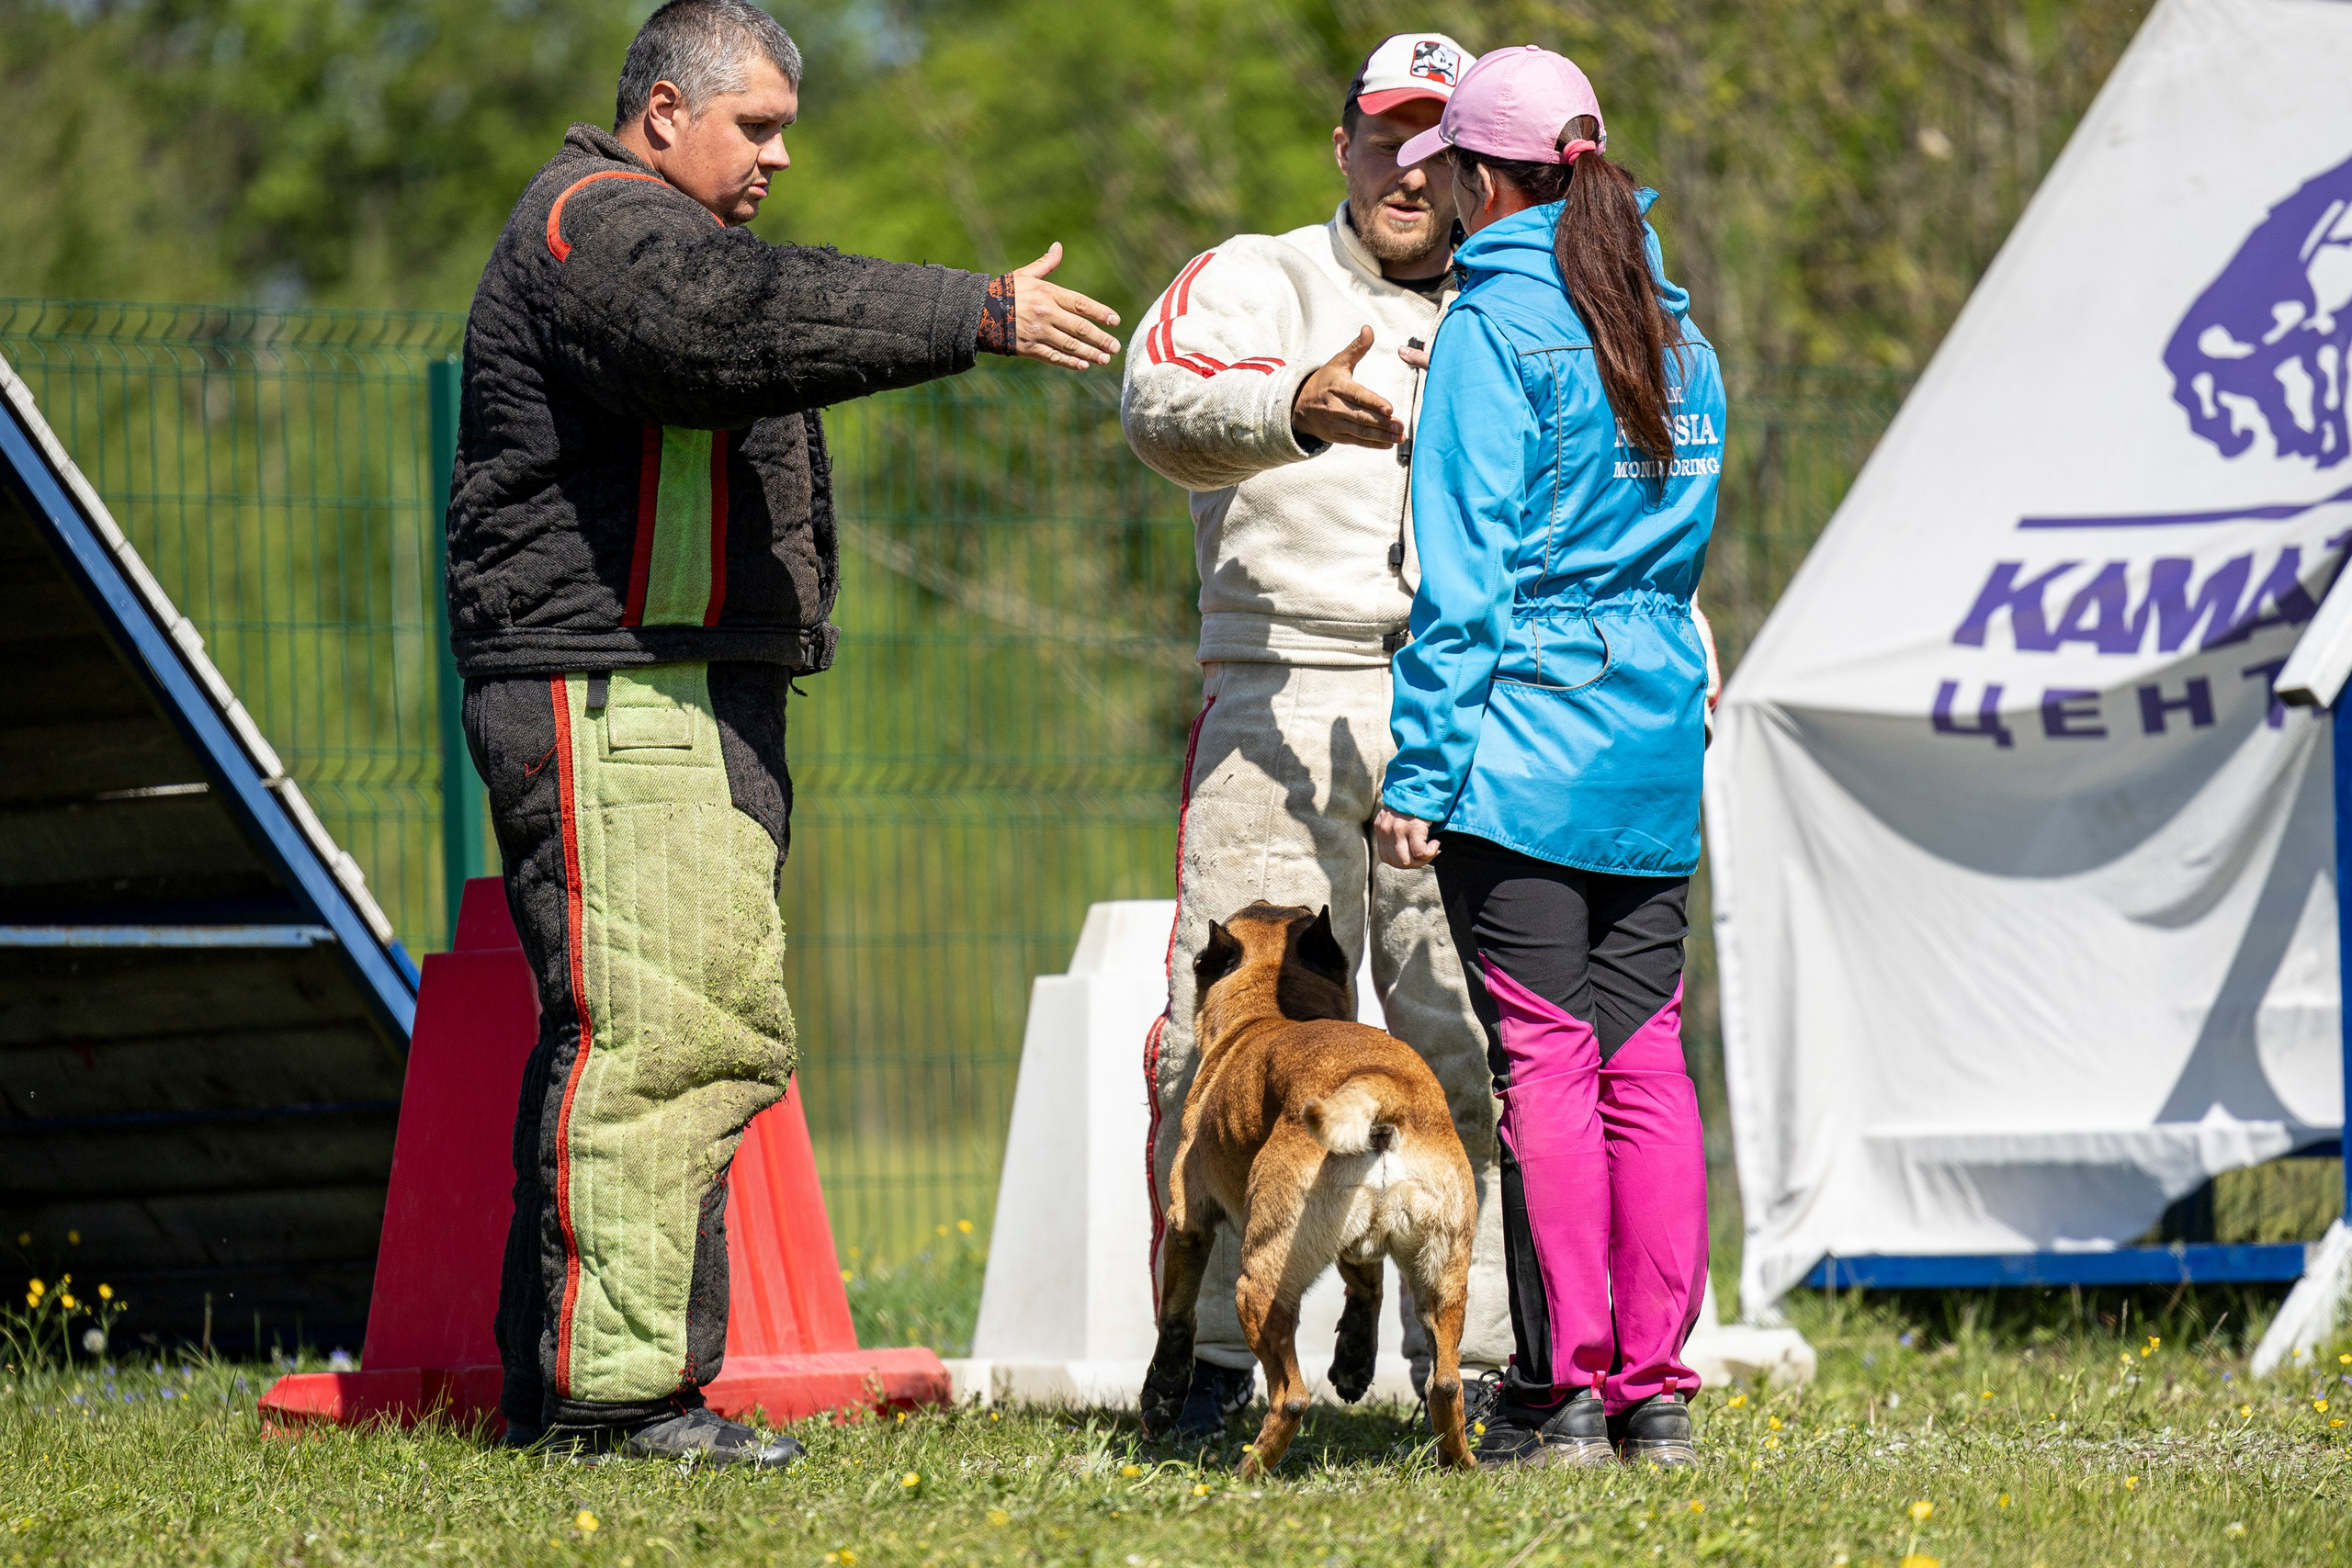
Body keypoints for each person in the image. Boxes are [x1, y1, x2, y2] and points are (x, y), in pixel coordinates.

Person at [445, 0, 1121, 1468]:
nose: (783, 154)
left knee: (695, 1030)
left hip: (683, 685)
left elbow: (744, 318)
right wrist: (972, 312)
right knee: (657, 1038)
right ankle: (613, 1406)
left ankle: (578, 1387)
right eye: (757, 125)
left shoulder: (650, 228)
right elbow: (721, 329)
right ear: (664, 111)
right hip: (615, 683)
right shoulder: (597, 223)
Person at [1121, 30, 1516, 1439]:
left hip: (1477, 696)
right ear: (1338, 140)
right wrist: (1285, 408)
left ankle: (1478, 1367)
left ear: (1475, 160)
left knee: (1470, 1040)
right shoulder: (1256, 275)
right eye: (1385, 132)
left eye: (1438, 140)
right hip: (1283, 684)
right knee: (1229, 1045)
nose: (1409, 167)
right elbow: (1153, 406)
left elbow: (1606, 499)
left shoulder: (1520, 298)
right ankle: (1213, 1366)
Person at [1374, 45, 1726, 1470]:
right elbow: (1674, 558)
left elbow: (1468, 585)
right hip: (1650, 741)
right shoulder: (1677, 334)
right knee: (1648, 1063)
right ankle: (1656, 1393)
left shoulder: (1490, 328)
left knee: (1547, 1064)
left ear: (1476, 177)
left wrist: (1419, 770)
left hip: (1522, 746)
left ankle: (1558, 1391)